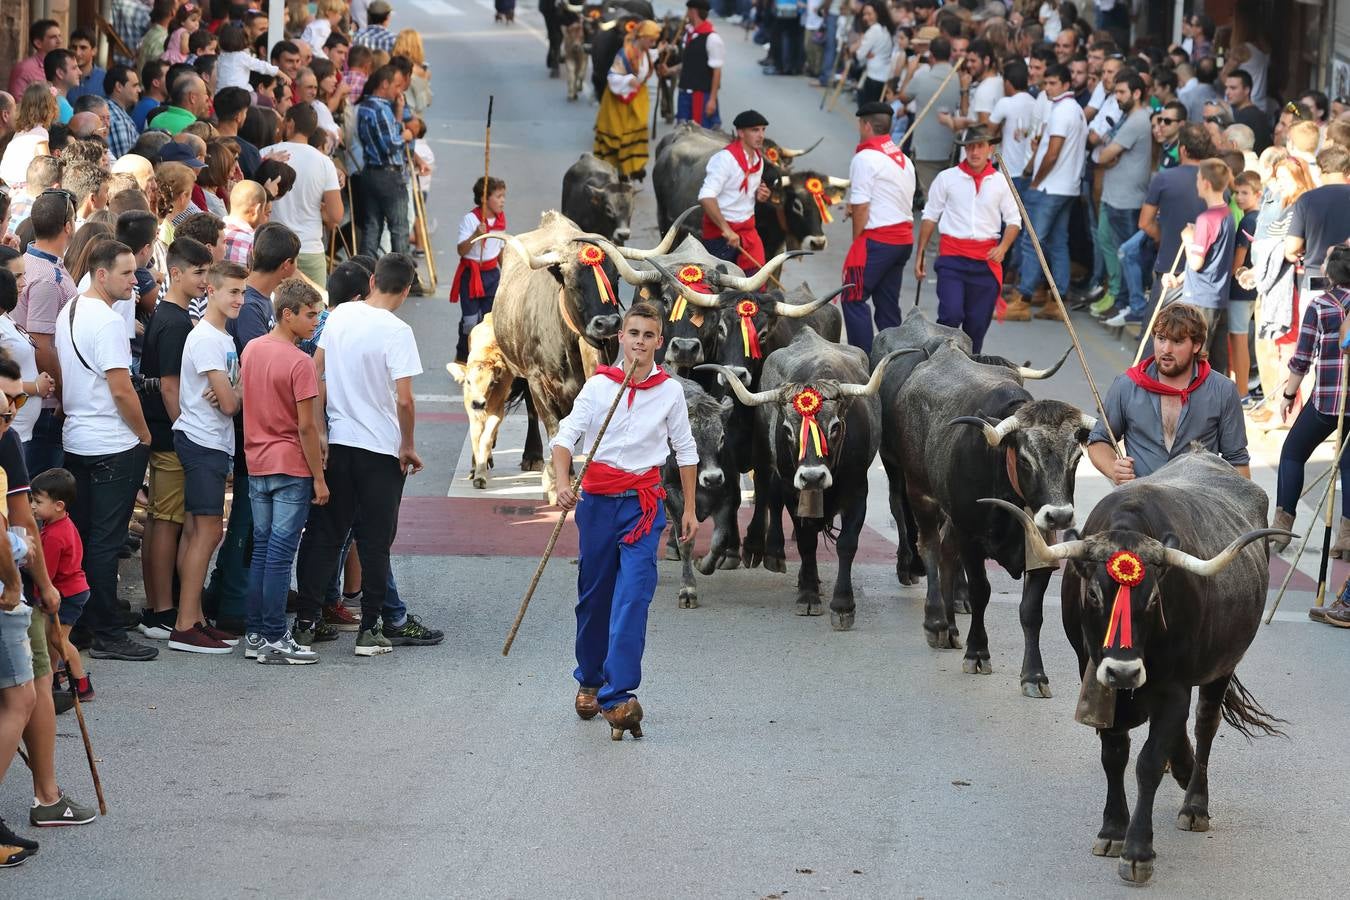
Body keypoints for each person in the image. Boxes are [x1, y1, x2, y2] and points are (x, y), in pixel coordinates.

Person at [551, 301, 697, 739]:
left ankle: (618, 697)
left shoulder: (670, 391)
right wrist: (563, 483)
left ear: (659, 343)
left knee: (634, 595)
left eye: (648, 336)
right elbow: (564, 437)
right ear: (621, 338)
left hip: (644, 504)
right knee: (594, 596)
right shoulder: (599, 387)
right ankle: (590, 679)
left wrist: (688, 508)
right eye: (633, 333)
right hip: (596, 503)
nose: (639, 342)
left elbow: (685, 451)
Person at [293, 253, 442, 655]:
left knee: (326, 534)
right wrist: (407, 445)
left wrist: (321, 429)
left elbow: (315, 371)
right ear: (407, 289)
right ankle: (371, 629)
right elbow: (406, 400)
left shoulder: (340, 316)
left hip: (340, 442)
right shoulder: (398, 331)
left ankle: (305, 622)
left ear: (372, 279)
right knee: (375, 541)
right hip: (381, 450)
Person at [55, 239, 156, 662]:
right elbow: (121, 388)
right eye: (126, 273)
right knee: (104, 540)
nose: (135, 281)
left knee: (85, 536)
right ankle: (107, 633)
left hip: (78, 436)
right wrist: (145, 435)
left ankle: (87, 621)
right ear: (101, 274)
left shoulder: (71, 309)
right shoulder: (109, 321)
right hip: (111, 441)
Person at [200, 224, 298, 635]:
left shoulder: (257, 305)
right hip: (251, 434)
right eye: (232, 294)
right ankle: (235, 602)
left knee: (248, 521)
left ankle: (226, 590)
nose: (238, 300)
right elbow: (258, 372)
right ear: (288, 266)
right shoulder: (254, 310)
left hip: (247, 430)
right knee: (248, 524)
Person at [241, 278, 326, 665]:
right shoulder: (300, 362)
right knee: (278, 556)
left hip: (256, 461)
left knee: (262, 552)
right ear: (287, 314)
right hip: (291, 465)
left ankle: (257, 633)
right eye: (310, 315)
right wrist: (320, 478)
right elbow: (307, 427)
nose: (316, 321)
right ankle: (276, 634)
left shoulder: (252, 349)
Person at [136, 237, 212, 641]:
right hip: (171, 435)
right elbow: (170, 388)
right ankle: (163, 608)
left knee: (161, 519)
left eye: (207, 271)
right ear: (177, 273)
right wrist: (187, 432)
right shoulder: (175, 322)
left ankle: (158, 605)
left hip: (166, 432)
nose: (204, 279)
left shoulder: (171, 316)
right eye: (198, 272)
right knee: (167, 521)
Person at [1088, 301, 1249, 486]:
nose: (1166, 349)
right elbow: (1098, 440)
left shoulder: (1223, 390)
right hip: (1140, 503)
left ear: (1196, 345)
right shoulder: (1126, 385)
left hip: (1197, 505)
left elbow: (1237, 461)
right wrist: (1113, 468)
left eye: (1177, 341)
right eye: (1161, 338)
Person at [170, 261, 245, 654]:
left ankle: (195, 616)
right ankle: (185, 625)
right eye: (232, 291)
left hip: (210, 442)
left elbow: (232, 394)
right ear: (211, 292)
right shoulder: (206, 339)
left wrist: (235, 387)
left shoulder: (223, 338)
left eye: (242, 292)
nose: (239, 299)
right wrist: (238, 387)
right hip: (202, 441)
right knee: (208, 531)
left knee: (199, 531)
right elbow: (231, 403)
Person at [914, 125, 1021, 352]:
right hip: (952, 258)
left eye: (980, 147)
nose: (974, 152)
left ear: (990, 149)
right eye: (970, 147)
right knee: (950, 315)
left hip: (987, 261)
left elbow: (1014, 220)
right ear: (965, 150)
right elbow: (930, 216)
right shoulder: (947, 178)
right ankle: (941, 361)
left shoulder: (1002, 182)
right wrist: (920, 254)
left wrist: (1003, 247)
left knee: (977, 325)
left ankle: (971, 368)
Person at [1271, 246, 1350, 553]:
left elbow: (1301, 359)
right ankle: (1346, 536)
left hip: (1328, 402)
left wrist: (1289, 394)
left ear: (1329, 275)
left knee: (1293, 451)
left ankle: (1281, 526)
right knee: (1349, 463)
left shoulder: (1320, 306)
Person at [1004, 64, 1086, 321]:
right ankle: (1057, 299)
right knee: (1057, 242)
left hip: (1051, 187)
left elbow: (1053, 153)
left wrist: (1036, 181)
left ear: (1065, 84)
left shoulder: (1063, 111)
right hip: (1067, 186)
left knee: (1032, 241)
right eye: (1046, 84)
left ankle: (1024, 297)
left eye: (1052, 84)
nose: (1047, 88)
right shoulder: (1075, 110)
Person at [840, 101, 916, 353]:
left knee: (852, 296)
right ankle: (894, 357)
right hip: (902, 240)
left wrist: (857, 241)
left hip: (878, 239)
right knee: (887, 304)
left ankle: (862, 358)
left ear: (866, 125)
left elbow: (861, 206)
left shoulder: (865, 157)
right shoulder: (903, 158)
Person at [16, 192, 78, 475]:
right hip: (46, 405)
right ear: (68, 226)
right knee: (42, 492)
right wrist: (65, 396)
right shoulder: (46, 279)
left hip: (39, 400)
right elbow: (41, 343)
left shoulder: (31, 263)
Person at [1160, 159, 1237, 359]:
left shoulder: (1206, 219)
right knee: (1215, 360)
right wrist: (1179, 280)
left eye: (1197, 179)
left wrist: (1187, 240)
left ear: (1206, 183)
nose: (1196, 183)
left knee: (1194, 357)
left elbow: (1196, 263)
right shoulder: (1227, 214)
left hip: (1200, 298)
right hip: (1216, 296)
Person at [1093, 71, 1153, 321]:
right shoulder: (1127, 117)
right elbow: (1103, 152)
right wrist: (1107, 154)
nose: (1116, 97)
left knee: (1126, 254)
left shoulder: (1138, 119)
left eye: (1121, 92)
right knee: (1109, 244)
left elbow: (1104, 155)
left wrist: (1108, 155)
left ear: (1136, 93)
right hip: (1113, 195)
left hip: (1127, 200)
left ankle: (1128, 304)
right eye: (1115, 92)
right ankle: (1120, 299)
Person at [261, 105, 342, 285]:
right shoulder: (324, 162)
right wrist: (323, 213)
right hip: (309, 247)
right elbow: (336, 215)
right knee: (315, 308)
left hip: (271, 247)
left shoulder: (267, 154)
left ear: (290, 123)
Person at [31, 467, 91, 699]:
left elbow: (48, 572)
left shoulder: (55, 536)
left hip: (67, 592)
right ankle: (53, 676)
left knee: (58, 638)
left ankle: (81, 682)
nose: (33, 506)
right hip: (71, 588)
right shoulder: (60, 524)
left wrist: (36, 594)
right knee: (50, 635)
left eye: (37, 501)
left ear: (58, 505)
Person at [698, 109, 772, 273]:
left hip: (748, 232)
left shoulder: (758, 160)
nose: (761, 135)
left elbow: (745, 194)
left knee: (756, 286)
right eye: (755, 130)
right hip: (721, 235)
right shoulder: (725, 159)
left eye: (763, 130)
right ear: (740, 132)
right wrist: (726, 230)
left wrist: (759, 195)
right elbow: (705, 196)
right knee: (717, 290)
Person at [355, 66, 412, 259]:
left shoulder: (364, 106)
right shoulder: (380, 108)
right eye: (396, 86)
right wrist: (404, 136)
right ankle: (401, 277)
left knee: (372, 225)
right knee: (399, 227)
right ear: (384, 84)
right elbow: (389, 145)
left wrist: (398, 114)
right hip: (388, 174)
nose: (398, 91)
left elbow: (384, 135)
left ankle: (365, 271)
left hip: (370, 172)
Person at [594, 20, 661, 182]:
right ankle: (620, 171)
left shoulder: (645, 52)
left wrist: (662, 50)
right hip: (618, 102)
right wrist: (629, 80)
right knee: (619, 136)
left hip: (638, 100)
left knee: (635, 134)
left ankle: (633, 167)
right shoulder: (625, 54)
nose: (652, 44)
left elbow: (652, 56)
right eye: (651, 40)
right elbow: (612, 77)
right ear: (642, 37)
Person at [452, 176, 506, 364]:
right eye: (498, 196)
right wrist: (476, 234)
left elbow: (500, 249)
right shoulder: (470, 219)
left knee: (488, 320)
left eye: (503, 196)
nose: (502, 200)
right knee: (470, 321)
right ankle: (462, 353)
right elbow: (461, 250)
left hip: (492, 275)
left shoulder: (500, 220)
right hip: (472, 276)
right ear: (485, 199)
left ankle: (483, 358)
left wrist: (506, 271)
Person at [899, 35, 960, 198]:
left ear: (931, 56)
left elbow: (903, 97)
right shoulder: (959, 79)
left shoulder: (921, 78)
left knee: (932, 197)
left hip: (924, 147)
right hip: (950, 147)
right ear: (950, 55)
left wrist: (910, 72)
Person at [669, 0, 725, 129]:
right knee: (683, 135)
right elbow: (690, 64)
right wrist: (669, 70)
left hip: (701, 97)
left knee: (701, 137)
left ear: (693, 11)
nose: (686, 14)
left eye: (688, 11)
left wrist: (712, 100)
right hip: (685, 96)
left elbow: (717, 71)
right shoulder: (689, 35)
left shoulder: (712, 39)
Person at [0, 85, 58, 189]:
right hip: (23, 182)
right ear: (49, 109)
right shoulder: (40, 132)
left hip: (7, 179)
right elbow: (46, 163)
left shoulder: (20, 131)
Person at [8, 18, 61, 98]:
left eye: (60, 36)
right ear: (38, 43)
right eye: (53, 37)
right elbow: (17, 103)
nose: (59, 41)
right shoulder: (24, 69)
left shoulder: (60, 66)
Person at [103, 65, 142, 160]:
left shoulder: (112, 111)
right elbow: (126, 163)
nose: (139, 90)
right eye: (135, 85)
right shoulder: (118, 119)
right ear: (119, 86)